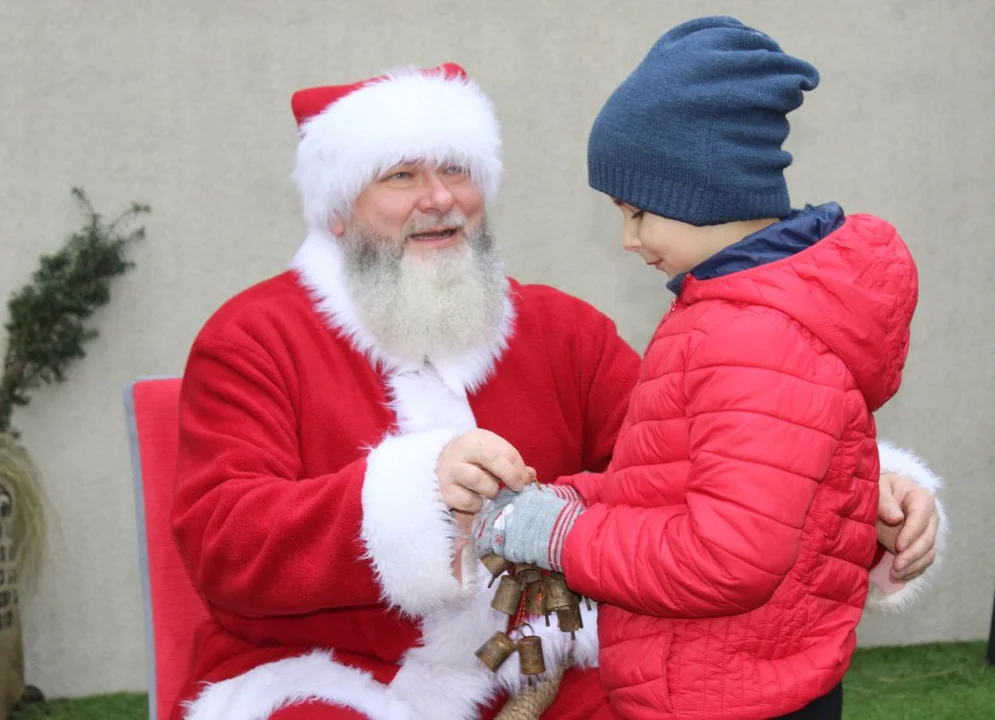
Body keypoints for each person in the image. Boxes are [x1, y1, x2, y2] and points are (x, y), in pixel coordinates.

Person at [170, 61, 945, 720]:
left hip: (545, 660)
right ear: (338, 210)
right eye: (402, 175)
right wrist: (413, 494)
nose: (440, 198)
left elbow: (703, 453)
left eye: (457, 171)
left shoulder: (559, 328)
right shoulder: (253, 337)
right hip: (338, 668)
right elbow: (223, 539)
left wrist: (861, 487)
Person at [471, 17, 944, 720]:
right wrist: (570, 501)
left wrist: (563, 537)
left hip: (723, 693)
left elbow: (726, 559)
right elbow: (683, 487)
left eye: (638, 213)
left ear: (704, 190)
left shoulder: (752, 334)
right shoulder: (730, 313)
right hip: (724, 676)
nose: (628, 241)